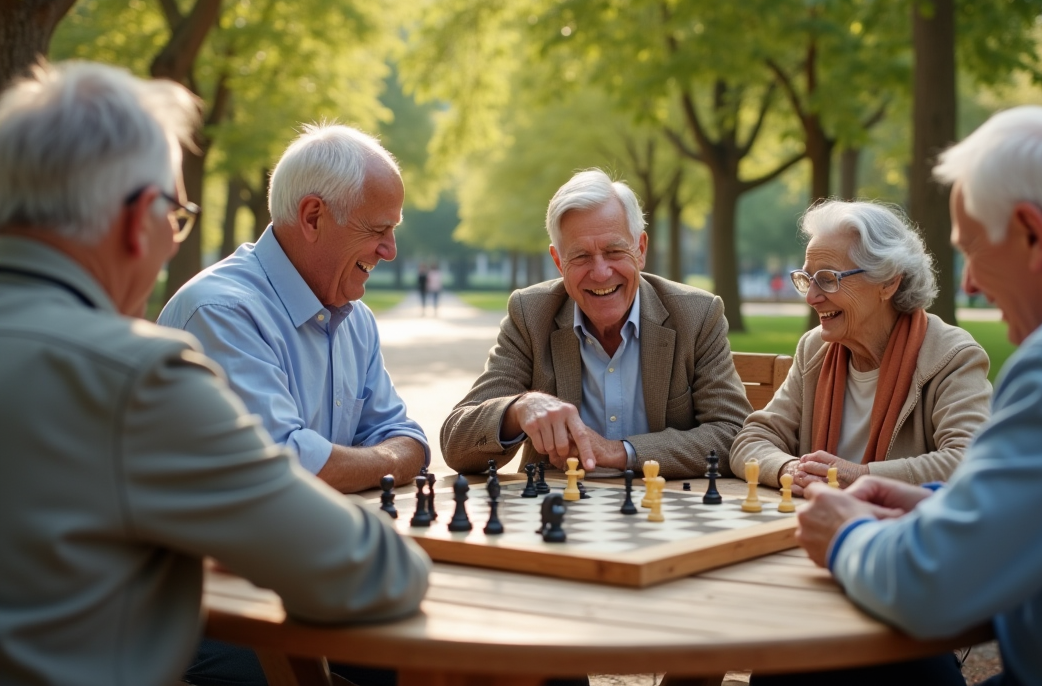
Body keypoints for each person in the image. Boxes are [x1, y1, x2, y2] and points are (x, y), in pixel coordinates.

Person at [0, 62, 429, 686]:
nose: (175, 245)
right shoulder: (135, 377)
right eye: (175, 217)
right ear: (136, 219)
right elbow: (367, 571)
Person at [789, 106, 1042, 686]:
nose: (969, 284)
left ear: (1033, 234)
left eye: (974, 250)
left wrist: (845, 534)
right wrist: (936, 504)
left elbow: (929, 587)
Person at [159, 123, 429, 495]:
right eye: (378, 229)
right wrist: (389, 461)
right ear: (313, 217)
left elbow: (406, 437)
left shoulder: (356, 321)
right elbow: (283, 466)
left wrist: (367, 460)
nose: (390, 250)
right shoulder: (221, 312)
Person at [441, 169, 751, 479]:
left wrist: (618, 451)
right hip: (558, 515)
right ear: (559, 262)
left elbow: (732, 433)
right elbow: (456, 443)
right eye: (580, 256)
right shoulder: (531, 314)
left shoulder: (696, 315)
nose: (601, 273)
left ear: (640, 249)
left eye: (614, 251)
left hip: (662, 510)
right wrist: (519, 408)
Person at [730, 201, 991, 491]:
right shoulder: (815, 348)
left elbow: (969, 459)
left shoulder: (951, 355)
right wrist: (789, 469)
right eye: (808, 279)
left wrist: (861, 476)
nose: (812, 297)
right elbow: (752, 439)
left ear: (888, 282)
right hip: (816, 525)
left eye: (828, 279)